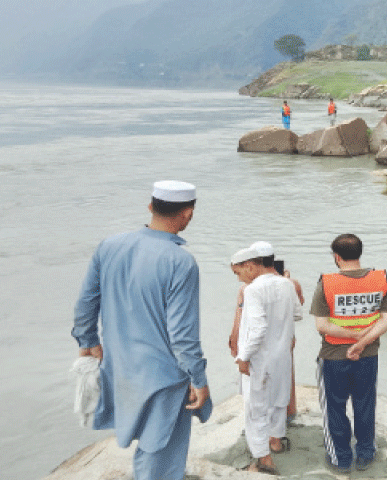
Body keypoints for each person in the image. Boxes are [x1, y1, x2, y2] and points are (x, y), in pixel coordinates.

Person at [72, 180, 211, 480]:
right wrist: (198, 379)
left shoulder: (109, 246)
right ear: (188, 214)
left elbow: (85, 304)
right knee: (158, 457)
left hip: (120, 369)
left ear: (150, 207)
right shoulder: (181, 262)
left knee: (147, 452)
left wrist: (88, 341)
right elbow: (182, 335)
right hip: (164, 378)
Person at [311, 234, 387, 474]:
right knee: (365, 404)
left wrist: (353, 337)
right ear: (360, 253)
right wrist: (363, 340)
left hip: (333, 356)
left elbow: (322, 325)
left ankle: (341, 459)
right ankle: (365, 454)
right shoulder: (380, 280)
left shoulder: (327, 283)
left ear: (336, 257)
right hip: (368, 356)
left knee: (334, 408)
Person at [232, 242, 302, 476]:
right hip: (282, 356)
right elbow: (297, 314)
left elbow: (258, 329)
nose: (239, 278)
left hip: (260, 359)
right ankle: (275, 442)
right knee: (279, 402)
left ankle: (264, 459)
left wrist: (243, 357)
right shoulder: (287, 284)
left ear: (251, 265)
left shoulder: (253, 290)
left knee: (256, 409)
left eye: (239, 271)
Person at [273, 258, 305, 424]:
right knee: (288, 373)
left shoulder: (255, 285)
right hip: (287, 333)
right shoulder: (292, 283)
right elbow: (300, 303)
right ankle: (290, 411)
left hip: (267, 336)